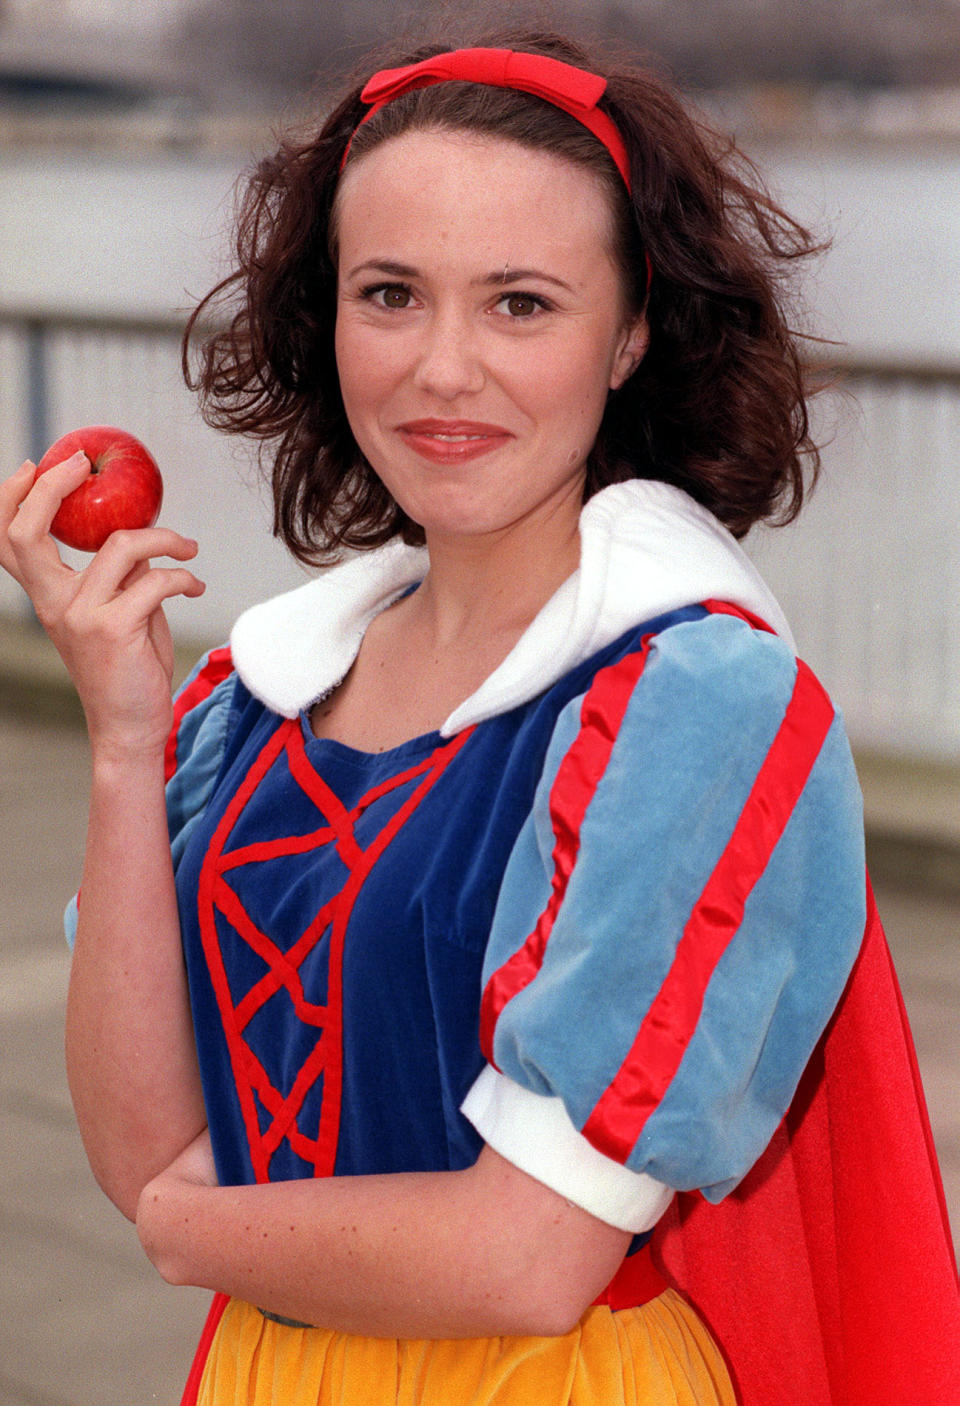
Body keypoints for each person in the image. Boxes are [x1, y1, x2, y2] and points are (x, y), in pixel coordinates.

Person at [2, 29, 958, 1406]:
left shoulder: (692, 700)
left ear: (631, 333)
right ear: (325, 315)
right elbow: (143, 1130)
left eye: (521, 303)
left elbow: (526, 1255)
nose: (443, 369)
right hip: (265, 1373)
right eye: (390, 293)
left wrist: (181, 1222)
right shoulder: (246, 700)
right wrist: (121, 739)